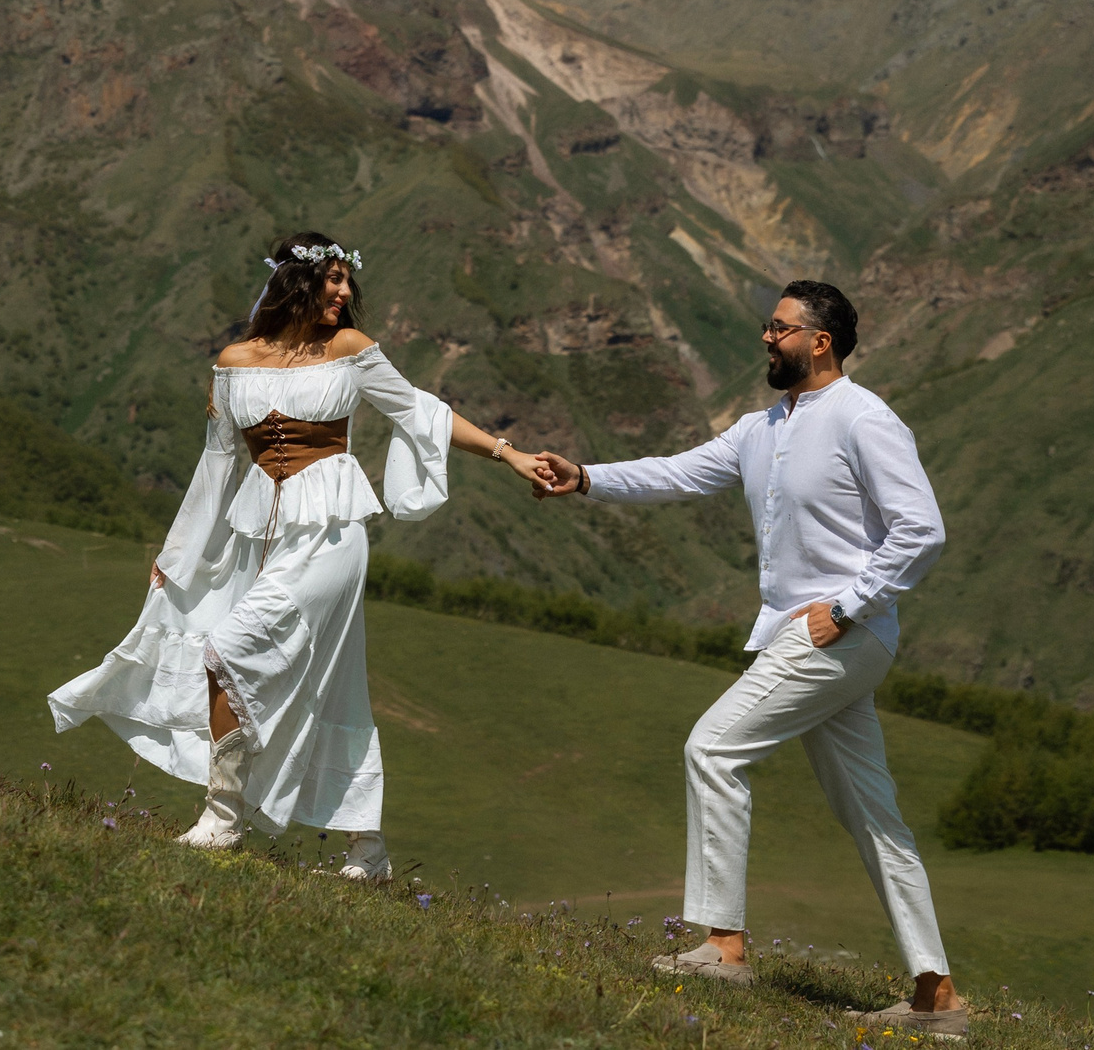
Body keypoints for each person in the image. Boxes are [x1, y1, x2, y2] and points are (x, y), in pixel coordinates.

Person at [528, 280, 966, 1040]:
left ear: (819, 340)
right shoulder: (761, 427)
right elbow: (678, 470)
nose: (766, 338)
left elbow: (921, 529)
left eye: (779, 327)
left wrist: (849, 605)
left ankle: (724, 947)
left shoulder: (865, 418)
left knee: (713, 747)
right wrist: (588, 478)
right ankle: (938, 993)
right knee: (873, 815)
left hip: (836, 634)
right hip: (814, 636)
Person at [48, 231, 551, 882]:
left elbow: (422, 411)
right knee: (330, 686)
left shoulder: (350, 350)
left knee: (225, 648)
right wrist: (177, 554)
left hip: (333, 530)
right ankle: (368, 851)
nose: (345, 292)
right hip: (262, 532)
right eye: (333, 279)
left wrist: (509, 453)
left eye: (348, 281)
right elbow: (217, 462)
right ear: (297, 282)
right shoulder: (235, 361)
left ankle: (221, 816)